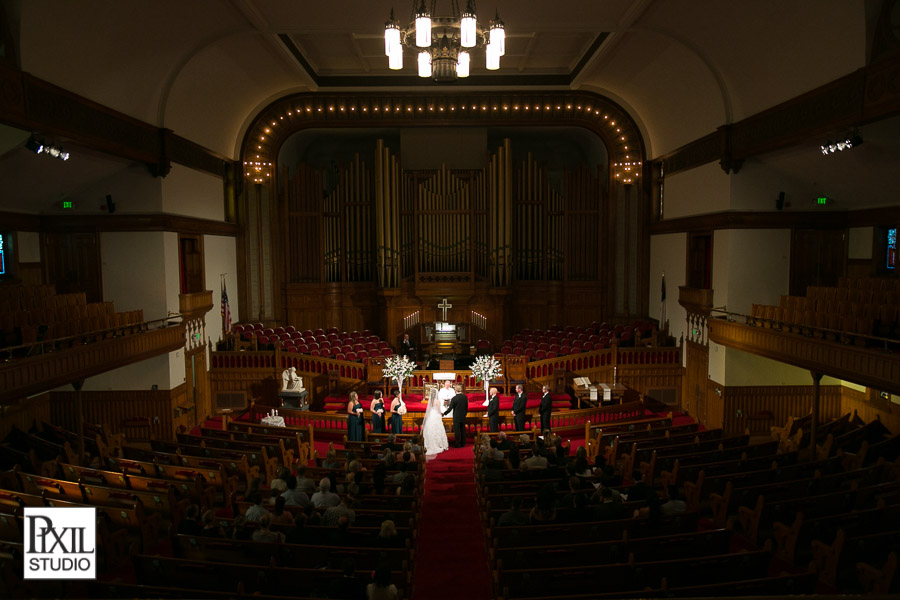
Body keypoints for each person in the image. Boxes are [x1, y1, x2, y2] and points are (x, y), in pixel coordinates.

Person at [422, 381, 450, 457]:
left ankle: (429, 443)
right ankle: (438, 443)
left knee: (430, 428)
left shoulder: (430, 401)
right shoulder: (437, 401)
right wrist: (442, 413)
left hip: (431, 415)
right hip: (436, 415)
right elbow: (438, 410)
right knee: (438, 429)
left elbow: (430, 409)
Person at [443, 383, 469, 448]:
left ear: (455, 390)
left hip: (456, 417)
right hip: (463, 416)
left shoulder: (454, 398)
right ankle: (463, 443)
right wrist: (465, 414)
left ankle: (457, 444)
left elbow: (450, 408)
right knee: (463, 430)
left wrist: (444, 413)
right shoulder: (465, 397)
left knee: (457, 431)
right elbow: (466, 407)